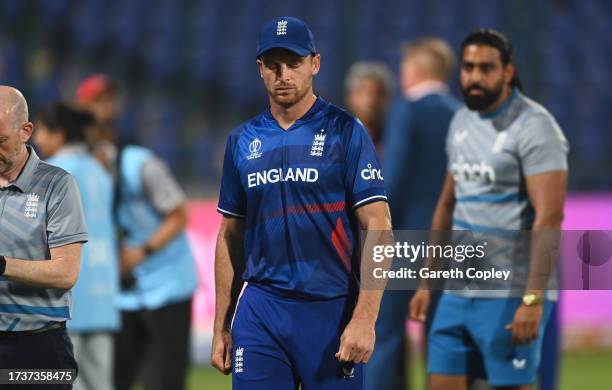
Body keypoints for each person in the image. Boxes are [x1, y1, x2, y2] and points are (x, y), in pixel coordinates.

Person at [210, 16, 392, 389]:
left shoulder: (346, 131)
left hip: (329, 310)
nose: (283, 74)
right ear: (259, 69)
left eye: (293, 63)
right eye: (273, 65)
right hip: (261, 310)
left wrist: (364, 319)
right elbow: (231, 235)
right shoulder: (242, 141)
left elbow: (379, 226)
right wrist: (221, 325)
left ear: (315, 64)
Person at [409, 29, 568, 390]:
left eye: (486, 68)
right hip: (456, 292)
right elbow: (447, 204)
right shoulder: (461, 121)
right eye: (468, 68)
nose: (474, 77)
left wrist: (532, 299)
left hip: (509, 294)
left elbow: (550, 217)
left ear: (507, 72)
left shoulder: (536, 126)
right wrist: (426, 281)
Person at [367, 37, 460, 390]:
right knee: (443, 339)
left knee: (383, 335)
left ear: (417, 69)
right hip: (450, 244)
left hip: (403, 240)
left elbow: (394, 180)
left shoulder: (407, 111)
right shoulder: (461, 115)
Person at [0, 86, 87, 389]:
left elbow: (66, 272)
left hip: (38, 346)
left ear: (25, 131)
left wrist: (2, 266)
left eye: (0, 141)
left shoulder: (57, 185)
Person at [34, 102, 120, 390]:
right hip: (103, 294)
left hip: (69, 295)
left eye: (42, 130)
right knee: (101, 383)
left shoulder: (54, 172)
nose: (37, 139)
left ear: (59, 134)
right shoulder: (99, 170)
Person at [344, 61, 394, 151]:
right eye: (364, 92)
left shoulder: (396, 140)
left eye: (379, 93)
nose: (371, 100)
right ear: (350, 97)